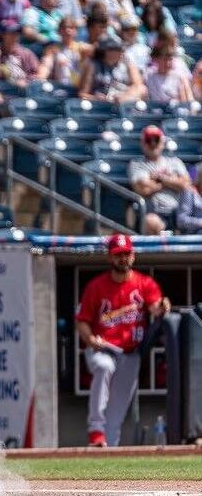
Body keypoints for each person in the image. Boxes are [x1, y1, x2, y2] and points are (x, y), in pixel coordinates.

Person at [75, 233, 169, 447]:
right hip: (103, 348)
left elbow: (155, 307)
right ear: (110, 257)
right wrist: (90, 339)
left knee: (117, 412)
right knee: (103, 366)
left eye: (126, 254)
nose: (123, 259)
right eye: (118, 255)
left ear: (133, 256)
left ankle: (106, 453)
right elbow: (82, 321)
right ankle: (95, 429)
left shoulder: (144, 283)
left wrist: (163, 305)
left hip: (130, 353)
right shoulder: (97, 286)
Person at [128, 126, 191, 234]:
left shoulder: (175, 162)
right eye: (148, 140)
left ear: (162, 142)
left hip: (180, 212)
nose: (153, 144)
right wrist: (172, 181)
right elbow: (144, 189)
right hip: (156, 213)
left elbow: (186, 185)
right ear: (143, 143)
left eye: (156, 139)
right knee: (150, 221)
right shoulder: (137, 164)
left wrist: (160, 178)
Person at [78, 35, 146, 104]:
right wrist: (97, 99)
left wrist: (124, 97)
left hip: (124, 104)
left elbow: (139, 86)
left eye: (119, 49)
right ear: (103, 51)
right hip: (101, 106)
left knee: (142, 89)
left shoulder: (127, 63)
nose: (117, 52)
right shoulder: (93, 65)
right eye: (112, 49)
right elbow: (83, 95)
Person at [0, 22, 39, 87]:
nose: (14, 36)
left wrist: (26, 81)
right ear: (3, 34)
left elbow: (35, 74)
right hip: (5, 92)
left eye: (17, 33)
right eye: (11, 33)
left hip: (24, 91)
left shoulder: (26, 53)